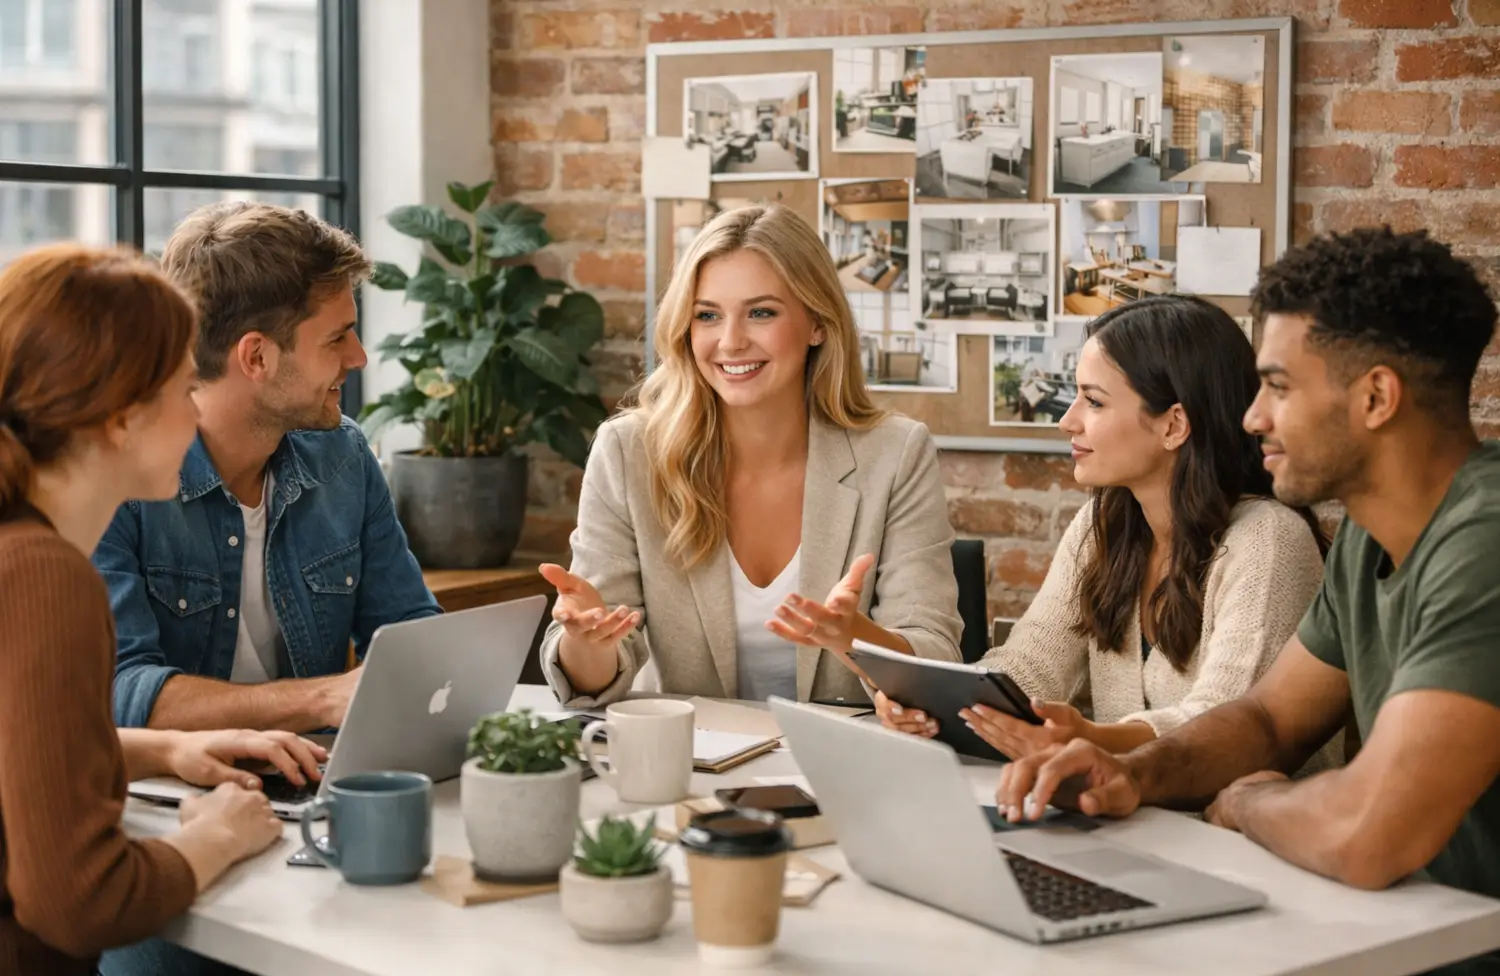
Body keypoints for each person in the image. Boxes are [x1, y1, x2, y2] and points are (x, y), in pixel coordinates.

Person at [994, 228, 1500, 976]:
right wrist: (1132, 773)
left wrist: (1252, 800)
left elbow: (1367, 833)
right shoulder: (1370, 536)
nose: (1253, 417)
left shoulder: (1486, 541)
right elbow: (1266, 719)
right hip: (1397, 938)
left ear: (1375, 397)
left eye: (1279, 388)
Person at [0, 244, 325, 976]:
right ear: (119, 420)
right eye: (184, 386)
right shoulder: (45, 576)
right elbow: (79, 901)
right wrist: (218, 837)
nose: (199, 408)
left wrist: (165, 748)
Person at [538, 204, 962, 707]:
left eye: (761, 312)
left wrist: (857, 638)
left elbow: (934, 655)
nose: (731, 341)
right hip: (687, 768)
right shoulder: (628, 453)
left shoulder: (895, 454)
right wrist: (587, 643)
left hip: (840, 767)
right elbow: (597, 678)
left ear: (818, 324)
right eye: (707, 316)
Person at [879, 296, 1333, 764]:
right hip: (1130, 820)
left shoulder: (1268, 541)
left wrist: (1092, 738)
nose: (1066, 421)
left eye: (1093, 401)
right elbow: (1029, 669)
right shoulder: (1103, 524)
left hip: (1235, 830)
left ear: (1174, 425)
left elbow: (1224, 727)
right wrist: (934, 704)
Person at [93, 201, 441, 737]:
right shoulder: (116, 482)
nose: (358, 358)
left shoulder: (343, 457)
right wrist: (321, 699)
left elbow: (412, 634)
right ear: (256, 357)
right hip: (174, 797)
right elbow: (121, 693)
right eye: (336, 337)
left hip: (311, 783)